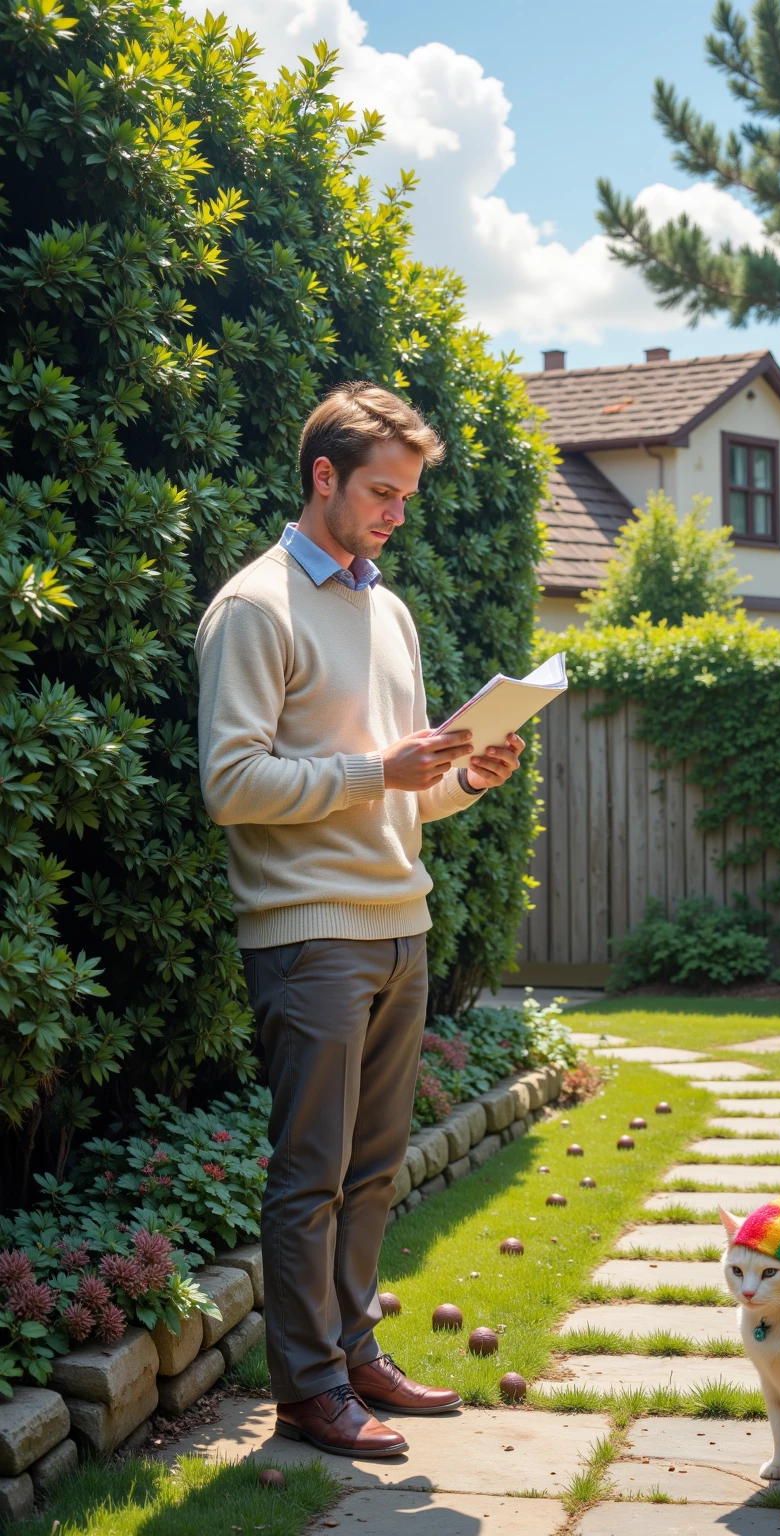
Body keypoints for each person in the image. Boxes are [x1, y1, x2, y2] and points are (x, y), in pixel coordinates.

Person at [195, 383, 523, 1458]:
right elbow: (232, 782)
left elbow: (400, 788)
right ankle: (306, 1389)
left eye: (407, 496)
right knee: (311, 1172)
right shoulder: (256, 607)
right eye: (381, 491)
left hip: (398, 923)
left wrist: (463, 775)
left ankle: (352, 1349)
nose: (395, 512)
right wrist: (375, 768)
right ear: (323, 477)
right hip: (307, 932)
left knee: (375, 1166)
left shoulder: (389, 611)